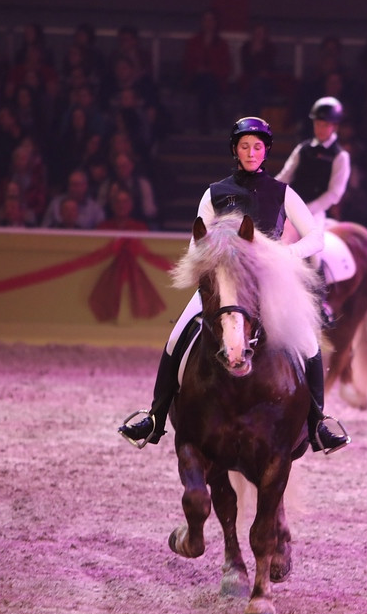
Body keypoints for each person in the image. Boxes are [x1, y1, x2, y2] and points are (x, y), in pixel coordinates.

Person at [118, 117, 350, 454]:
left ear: (266, 151)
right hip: (224, 285)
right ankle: (154, 415)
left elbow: (315, 237)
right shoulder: (215, 193)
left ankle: (318, 422)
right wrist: (214, 258)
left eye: (257, 146)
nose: (251, 152)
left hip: (268, 287)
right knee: (175, 337)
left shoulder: (281, 193)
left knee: (309, 343)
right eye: (245, 146)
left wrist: (285, 253)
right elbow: (196, 242)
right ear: (235, 150)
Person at [275, 97, 351, 227]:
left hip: (315, 213)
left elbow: (334, 194)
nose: (320, 129)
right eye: (318, 124)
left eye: (325, 125)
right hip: (290, 206)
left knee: (314, 242)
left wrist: (308, 209)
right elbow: (285, 176)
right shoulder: (302, 149)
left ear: (334, 126)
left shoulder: (340, 156)